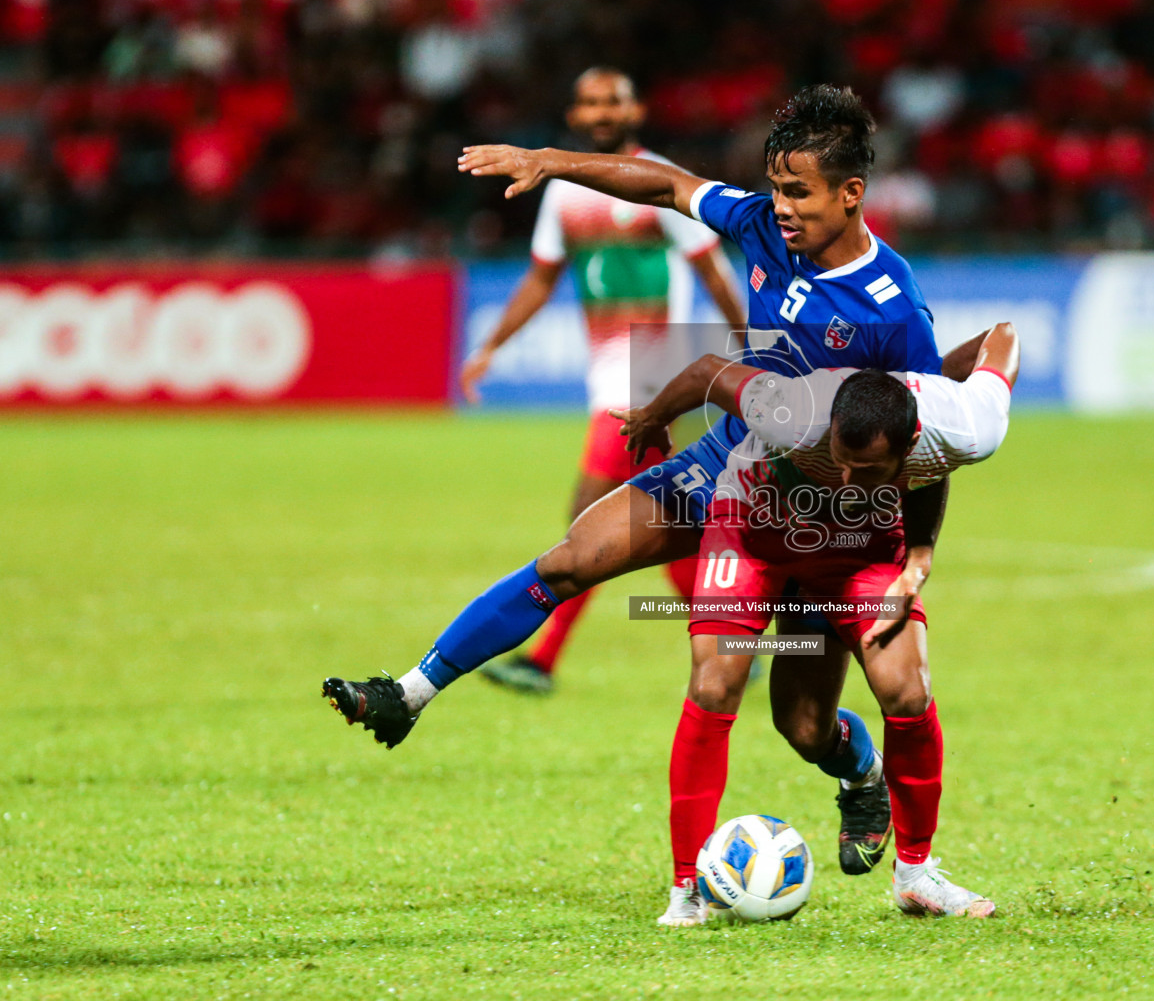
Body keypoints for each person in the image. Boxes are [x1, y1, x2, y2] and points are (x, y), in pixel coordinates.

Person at [322, 85, 959, 883]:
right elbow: (665, 185)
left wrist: (917, 553)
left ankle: (860, 775)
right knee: (570, 556)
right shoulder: (762, 222)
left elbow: (931, 444)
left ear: (851, 193)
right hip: (726, 465)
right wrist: (549, 163)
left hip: (824, 523)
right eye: (776, 189)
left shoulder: (893, 309)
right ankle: (408, 694)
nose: (782, 208)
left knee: (802, 726)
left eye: (799, 193)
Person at [609, 323, 1019, 924]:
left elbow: (1004, 336)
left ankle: (917, 876)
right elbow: (706, 374)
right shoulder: (791, 410)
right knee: (714, 685)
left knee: (902, 692)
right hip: (751, 532)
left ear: (910, 442)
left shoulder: (968, 425)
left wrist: (921, 554)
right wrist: (650, 416)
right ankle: (686, 894)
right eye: (841, 460)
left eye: (868, 468)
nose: (848, 480)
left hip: (860, 551)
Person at [461, 68, 747, 696]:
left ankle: (542, 661)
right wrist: (490, 347)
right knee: (663, 517)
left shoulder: (659, 182)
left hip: (652, 367)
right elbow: (541, 279)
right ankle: (736, 635)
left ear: (634, 109)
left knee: (590, 517)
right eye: (589, 102)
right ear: (574, 116)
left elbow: (715, 270)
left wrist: (754, 346)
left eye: (611, 102)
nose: (599, 113)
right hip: (607, 371)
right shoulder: (562, 189)